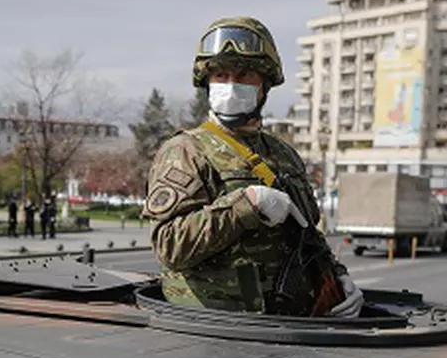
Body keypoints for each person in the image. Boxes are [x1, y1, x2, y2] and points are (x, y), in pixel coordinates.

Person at [141, 16, 362, 317]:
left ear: (265, 85)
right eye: (221, 75)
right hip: (214, 327)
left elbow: (305, 233)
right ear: (207, 82)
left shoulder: (284, 154)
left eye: (244, 75)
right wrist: (246, 205)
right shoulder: (186, 150)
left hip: (289, 323)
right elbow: (170, 246)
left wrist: (337, 275)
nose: (231, 85)